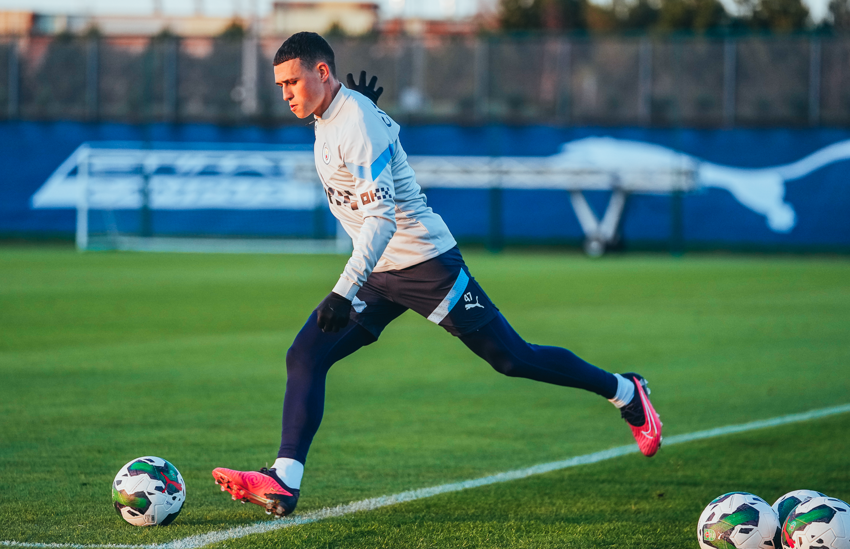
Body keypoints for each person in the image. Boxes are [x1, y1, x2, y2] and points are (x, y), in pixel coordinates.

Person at [212, 33, 661, 517]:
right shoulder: (337, 115)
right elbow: (378, 147)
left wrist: (342, 291)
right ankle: (285, 480)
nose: (286, 94)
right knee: (305, 355)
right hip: (379, 268)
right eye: (280, 85)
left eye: (293, 81)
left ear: (323, 73)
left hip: (424, 264)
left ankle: (624, 390)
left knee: (512, 359)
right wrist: (373, 115)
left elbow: (381, 217)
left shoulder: (354, 122)